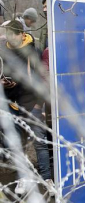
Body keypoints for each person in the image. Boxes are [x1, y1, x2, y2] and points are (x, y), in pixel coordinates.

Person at [0, 20, 51, 181]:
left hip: (31, 101)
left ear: (22, 34)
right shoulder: (2, 51)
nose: (11, 38)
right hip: (9, 102)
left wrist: (39, 104)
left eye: (14, 34)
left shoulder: (33, 52)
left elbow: (42, 79)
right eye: (8, 34)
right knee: (16, 142)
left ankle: (47, 178)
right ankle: (23, 178)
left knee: (39, 141)